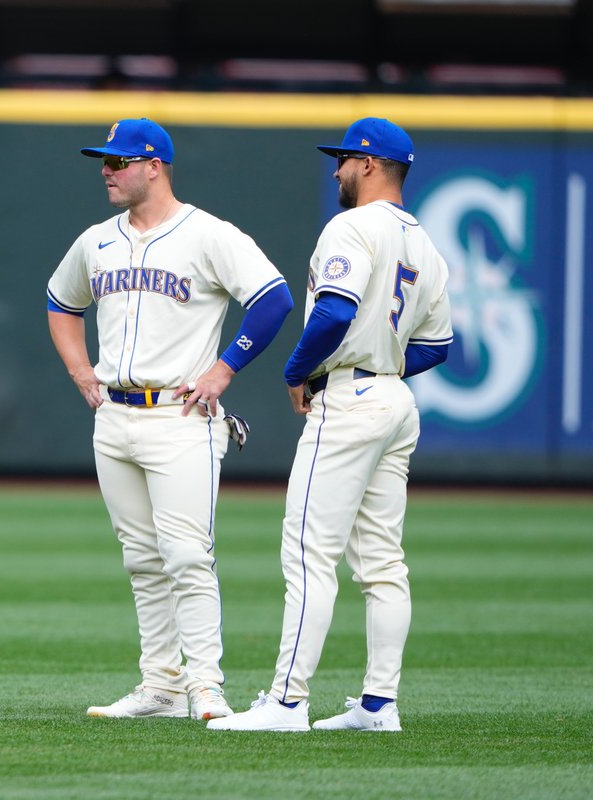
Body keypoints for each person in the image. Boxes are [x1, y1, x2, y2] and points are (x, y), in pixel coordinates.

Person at [209, 117, 453, 733]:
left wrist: (299, 371)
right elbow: (436, 347)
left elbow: (335, 312)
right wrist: (385, 360)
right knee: (382, 562)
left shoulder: (351, 226)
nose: (336, 168)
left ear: (370, 164)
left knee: (308, 554)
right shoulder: (426, 244)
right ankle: (379, 704)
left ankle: (287, 702)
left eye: (344, 158)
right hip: (395, 402)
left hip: (347, 401)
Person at [46, 118, 293, 720]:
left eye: (119, 160)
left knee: (187, 556)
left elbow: (273, 297)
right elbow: (60, 301)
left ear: (154, 165)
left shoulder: (207, 234)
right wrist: (82, 372)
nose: (106, 169)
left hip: (181, 417)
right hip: (116, 417)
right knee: (141, 558)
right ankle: (160, 685)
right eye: (103, 160)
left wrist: (224, 370)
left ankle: (206, 685)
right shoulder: (96, 240)